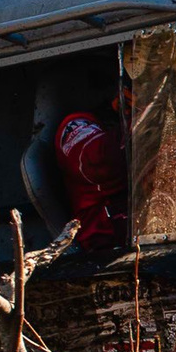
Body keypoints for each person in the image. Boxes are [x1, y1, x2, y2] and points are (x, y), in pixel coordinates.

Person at [55, 75, 131, 252]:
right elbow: (98, 164)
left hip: (153, 232)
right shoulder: (76, 124)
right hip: (108, 246)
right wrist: (144, 117)